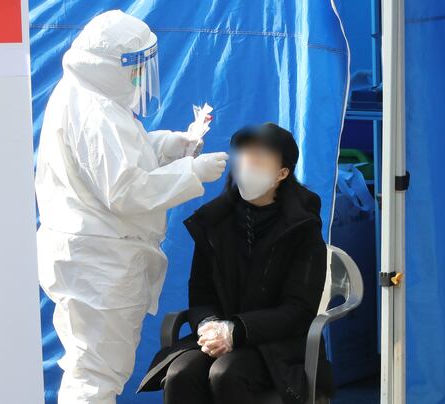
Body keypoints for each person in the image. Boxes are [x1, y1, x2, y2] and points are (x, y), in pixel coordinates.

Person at [35, 10, 229, 404]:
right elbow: (125, 190)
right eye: (136, 67)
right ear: (112, 64)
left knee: (94, 368)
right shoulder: (95, 111)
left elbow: (115, 158)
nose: (140, 77)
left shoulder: (89, 96)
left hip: (95, 255)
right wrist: (191, 172)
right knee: (96, 375)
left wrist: (166, 146)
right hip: (98, 260)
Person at [138, 122, 334, 404]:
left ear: (281, 173)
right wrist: (209, 325)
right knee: (180, 373)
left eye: (259, 156)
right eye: (243, 154)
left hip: (278, 343)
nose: (247, 162)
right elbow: (201, 293)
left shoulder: (302, 228)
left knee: (225, 374)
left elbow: (298, 310)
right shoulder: (214, 222)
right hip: (220, 336)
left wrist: (237, 330)